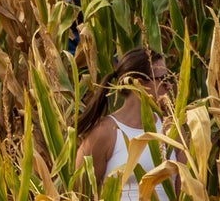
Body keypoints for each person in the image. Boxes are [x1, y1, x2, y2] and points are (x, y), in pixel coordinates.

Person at [76, 47, 178, 201]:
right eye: (162, 79)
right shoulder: (105, 132)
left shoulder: (172, 127)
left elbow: (185, 190)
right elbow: (80, 193)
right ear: (139, 84)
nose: (169, 86)